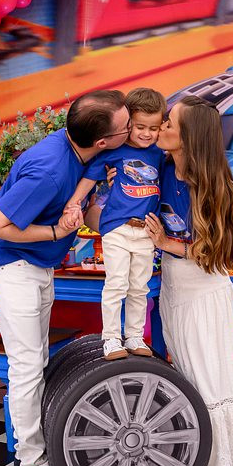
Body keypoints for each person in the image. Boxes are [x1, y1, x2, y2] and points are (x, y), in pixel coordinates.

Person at [0, 90, 130, 466]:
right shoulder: (47, 170)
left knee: (37, 362)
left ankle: (37, 454)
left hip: (37, 266)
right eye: (126, 127)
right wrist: (55, 233)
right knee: (26, 369)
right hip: (12, 267)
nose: (132, 129)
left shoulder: (82, 152)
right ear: (103, 140)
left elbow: (91, 192)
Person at [144, 95, 233, 466]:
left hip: (205, 293)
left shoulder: (214, 184)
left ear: (189, 136)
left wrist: (165, 242)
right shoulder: (161, 167)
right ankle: (202, 457)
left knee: (209, 380)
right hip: (173, 288)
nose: (161, 128)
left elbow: (221, 253)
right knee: (187, 376)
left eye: (169, 123)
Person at [64, 88, 166, 360]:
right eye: (140, 127)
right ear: (128, 124)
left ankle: (134, 336)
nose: (146, 134)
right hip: (117, 228)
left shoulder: (158, 154)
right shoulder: (114, 153)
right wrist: (74, 202)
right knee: (116, 284)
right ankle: (111, 338)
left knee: (139, 287)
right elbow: (89, 179)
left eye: (153, 128)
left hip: (146, 231)